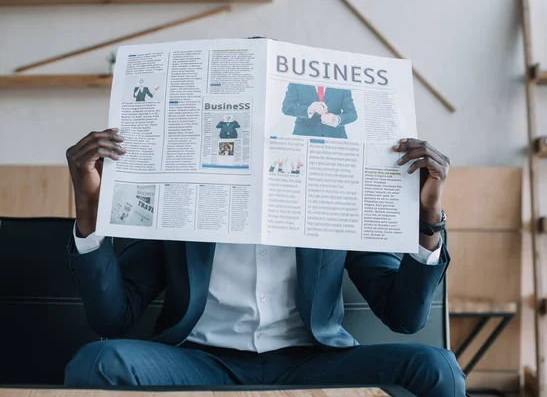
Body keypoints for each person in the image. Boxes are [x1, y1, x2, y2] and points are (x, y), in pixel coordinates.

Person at [64, 128, 465, 397]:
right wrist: (89, 206)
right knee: (97, 362)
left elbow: (405, 317)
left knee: (437, 368)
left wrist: (428, 216)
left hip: (314, 362)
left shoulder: (336, 199)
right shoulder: (181, 199)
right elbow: (113, 319)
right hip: (199, 361)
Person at [282, 83, 357, 139]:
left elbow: (352, 113)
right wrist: (309, 109)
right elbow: (287, 107)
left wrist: (336, 119)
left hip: (335, 138)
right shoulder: (297, 81)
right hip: (304, 136)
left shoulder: (341, 83)